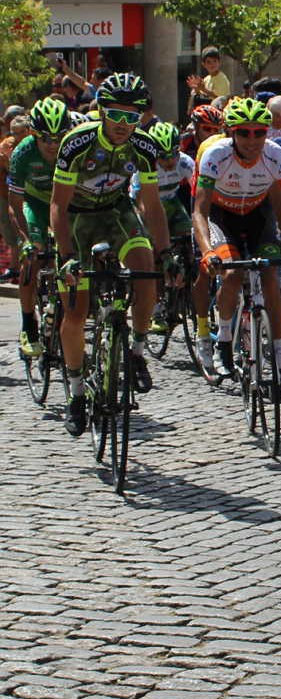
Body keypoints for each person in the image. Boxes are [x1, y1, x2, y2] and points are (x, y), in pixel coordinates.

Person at [51, 73, 171, 436]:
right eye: (115, 115)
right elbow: (58, 204)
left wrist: (166, 253)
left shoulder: (145, 147)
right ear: (102, 112)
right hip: (77, 219)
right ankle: (74, 393)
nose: (122, 125)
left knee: (146, 269)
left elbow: (151, 206)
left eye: (131, 118)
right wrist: (67, 254)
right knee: (76, 311)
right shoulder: (77, 142)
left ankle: (135, 352)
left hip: (116, 214)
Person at [192, 97, 281, 400]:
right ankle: (224, 341)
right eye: (244, 132)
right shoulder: (215, 155)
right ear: (231, 132)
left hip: (259, 217)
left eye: (260, 132)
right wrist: (207, 251)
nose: (253, 140)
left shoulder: (277, 156)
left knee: (271, 279)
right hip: (222, 218)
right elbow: (200, 210)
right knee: (230, 276)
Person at [7, 99, 72, 358]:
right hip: (34, 204)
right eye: (46, 138)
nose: (53, 145)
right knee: (32, 256)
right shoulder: (23, 152)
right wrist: (24, 239)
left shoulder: (71, 149)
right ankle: (28, 326)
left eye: (58, 138)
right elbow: (14, 203)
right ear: (34, 133)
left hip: (64, 204)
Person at [134, 123, 196, 337]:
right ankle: (157, 305)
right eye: (163, 157)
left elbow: (201, 192)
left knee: (192, 238)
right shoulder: (144, 165)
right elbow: (140, 203)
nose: (170, 162)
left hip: (171, 204)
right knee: (156, 253)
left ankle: (188, 284)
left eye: (173, 155)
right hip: (148, 208)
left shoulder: (185, 162)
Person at [0, 115, 33, 276]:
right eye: (13, 132)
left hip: (34, 196)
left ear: (29, 131)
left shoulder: (36, 146)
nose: (16, 136)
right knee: (14, 232)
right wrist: (6, 160)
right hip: (12, 194)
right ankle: (18, 268)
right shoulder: (7, 145)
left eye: (20, 132)